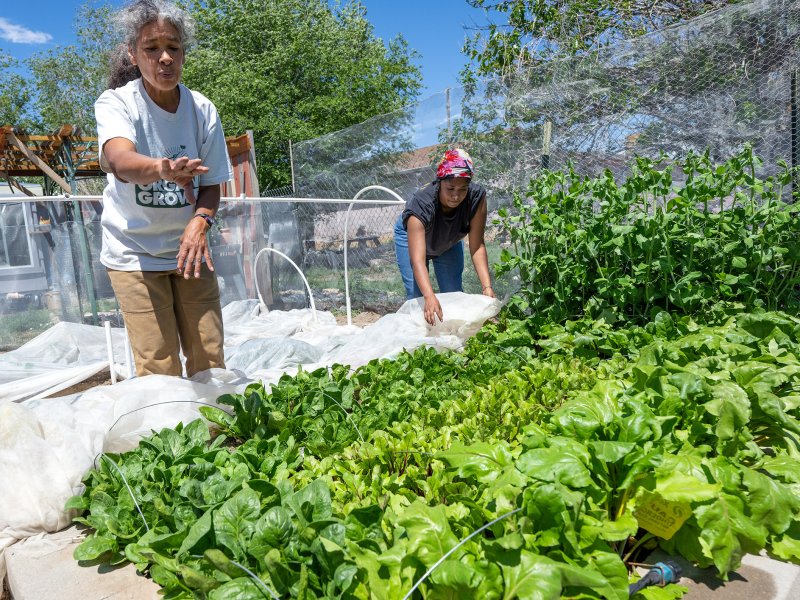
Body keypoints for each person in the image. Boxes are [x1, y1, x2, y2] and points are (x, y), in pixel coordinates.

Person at [95, 0, 232, 377]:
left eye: (173, 46)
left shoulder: (202, 109)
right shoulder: (117, 103)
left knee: (209, 354)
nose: (165, 58)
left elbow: (213, 182)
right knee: (158, 363)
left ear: (184, 51)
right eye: (152, 49)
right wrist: (162, 169)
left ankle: (216, 432)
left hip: (189, 249)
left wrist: (200, 222)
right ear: (133, 55)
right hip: (134, 252)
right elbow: (121, 161)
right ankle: (169, 434)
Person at [394, 148, 495, 326]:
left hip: (448, 240)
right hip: (414, 239)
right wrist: (429, 296)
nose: (456, 195)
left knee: (453, 293)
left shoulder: (476, 197)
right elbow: (417, 260)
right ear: (440, 182)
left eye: (463, 189)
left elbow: (477, 245)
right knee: (418, 299)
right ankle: (421, 342)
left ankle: (453, 338)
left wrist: (487, 287)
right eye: (450, 188)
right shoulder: (421, 204)